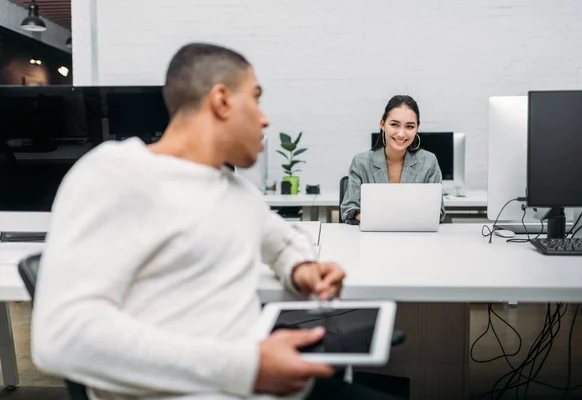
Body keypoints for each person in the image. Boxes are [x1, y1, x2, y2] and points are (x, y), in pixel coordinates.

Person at [31, 43, 400, 400]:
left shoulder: (235, 191)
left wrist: (302, 267)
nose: (265, 117)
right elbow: (62, 337)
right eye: (255, 98)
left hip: (265, 384)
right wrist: (246, 366)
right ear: (222, 100)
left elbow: (284, 240)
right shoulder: (116, 174)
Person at [340, 95, 445, 223]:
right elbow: (348, 211)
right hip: (373, 237)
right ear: (382, 124)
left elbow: (437, 212)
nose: (401, 134)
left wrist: (386, 216)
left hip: (415, 237)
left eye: (410, 126)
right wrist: (393, 219)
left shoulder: (429, 162)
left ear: (417, 128)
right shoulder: (361, 162)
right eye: (394, 124)